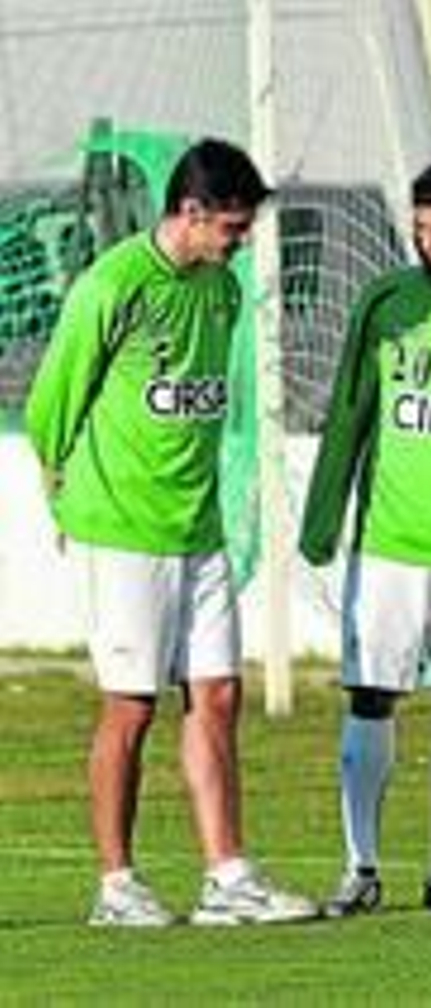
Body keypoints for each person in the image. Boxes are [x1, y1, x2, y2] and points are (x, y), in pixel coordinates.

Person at [24, 138, 318, 927]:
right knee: (131, 706)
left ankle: (228, 879)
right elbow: (51, 402)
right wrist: (59, 493)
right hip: (121, 529)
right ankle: (116, 886)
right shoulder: (112, 285)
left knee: (219, 694)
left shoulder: (221, 292)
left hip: (199, 528)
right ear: (190, 213)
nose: (241, 241)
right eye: (231, 226)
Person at [299, 159, 431, 917]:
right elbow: (352, 407)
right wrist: (322, 517)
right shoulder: (386, 302)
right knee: (371, 695)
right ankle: (360, 866)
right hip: (389, 544)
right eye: (422, 229)